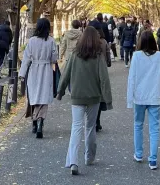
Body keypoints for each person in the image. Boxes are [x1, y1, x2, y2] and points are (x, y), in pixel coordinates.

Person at [57, 26, 112, 175]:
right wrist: (108, 100)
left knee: (76, 127)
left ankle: (73, 161)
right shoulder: (99, 55)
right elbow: (104, 80)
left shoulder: (75, 54)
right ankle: (89, 157)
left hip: (77, 96)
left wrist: (60, 91)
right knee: (90, 127)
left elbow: (65, 74)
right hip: (94, 97)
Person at [127, 29, 160, 171]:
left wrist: (129, 99)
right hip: (155, 96)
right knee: (154, 128)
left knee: (138, 125)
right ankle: (153, 160)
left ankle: (138, 154)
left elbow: (131, 79)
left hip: (139, 97)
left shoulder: (136, 56)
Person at [18, 17, 58, 138]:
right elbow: (54, 59)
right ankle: (41, 121)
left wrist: (22, 74)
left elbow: (26, 59)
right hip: (46, 70)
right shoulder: (51, 41)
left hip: (34, 70)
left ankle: (34, 121)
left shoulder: (31, 41)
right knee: (44, 97)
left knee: (33, 95)